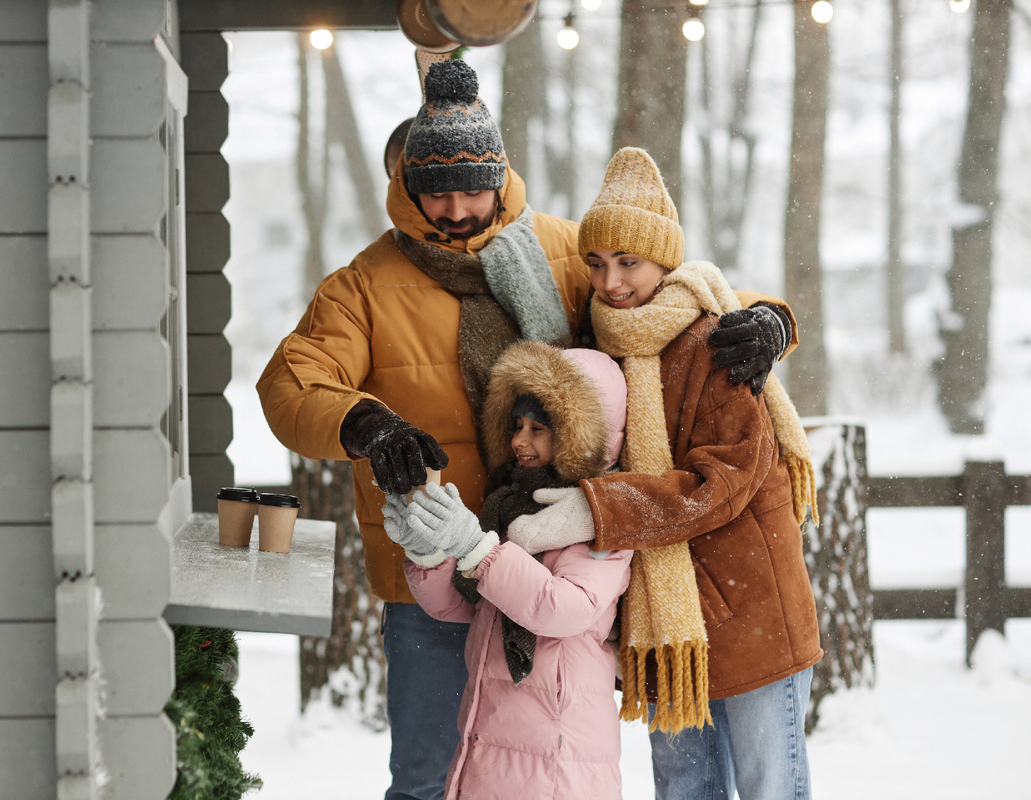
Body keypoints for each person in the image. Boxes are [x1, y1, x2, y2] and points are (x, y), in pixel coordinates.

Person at [257, 58, 796, 800]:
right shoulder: (364, 284)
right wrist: (364, 422)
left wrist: (770, 318)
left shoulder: (560, 251)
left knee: (547, 769)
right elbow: (291, 382)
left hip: (557, 565)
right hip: (434, 575)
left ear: (499, 171)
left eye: (471, 187)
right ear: (406, 186)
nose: (454, 208)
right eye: (435, 191)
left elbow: (664, 297)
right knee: (426, 776)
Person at [506, 147, 823, 800]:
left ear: (665, 261)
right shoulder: (598, 349)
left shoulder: (718, 342)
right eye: (596, 264)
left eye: (629, 262)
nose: (611, 282)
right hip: (665, 627)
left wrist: (599, 508)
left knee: (772, 787)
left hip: (752, 605)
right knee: (684, 790)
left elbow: (723, 485)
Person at [385, 340, 632, 800]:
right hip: (492, 732)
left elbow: (563, 608)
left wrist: (477, 548)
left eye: (539, 428)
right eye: (517, 425)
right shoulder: (508, 504)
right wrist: (429, 553)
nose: (520, 441)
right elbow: (465, 607)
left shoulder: (603, 519)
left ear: (581, 433)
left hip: (557, 751)